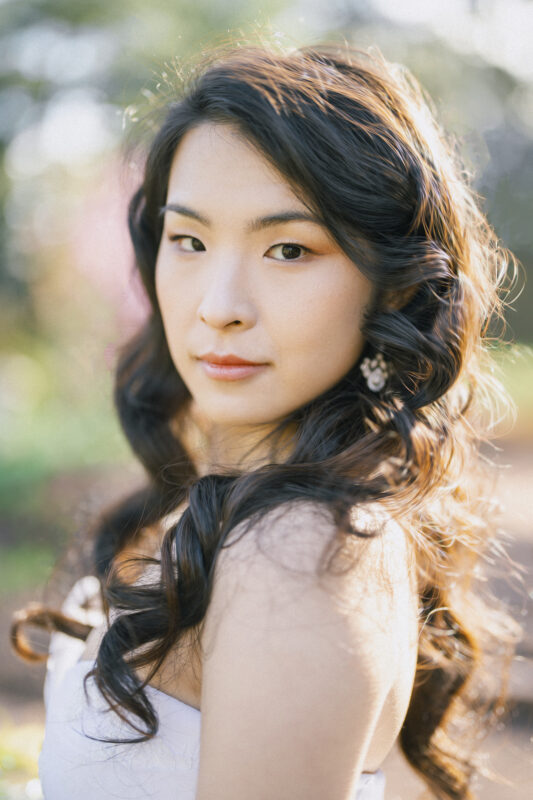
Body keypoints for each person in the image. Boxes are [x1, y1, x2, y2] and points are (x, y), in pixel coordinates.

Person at [12, 41, 519, 800]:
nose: (218, 306)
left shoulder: (301, 547)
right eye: (189, 240)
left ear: (388, 286)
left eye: (287, 249)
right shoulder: (251, 506)